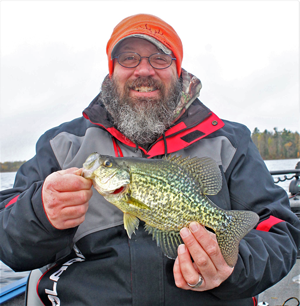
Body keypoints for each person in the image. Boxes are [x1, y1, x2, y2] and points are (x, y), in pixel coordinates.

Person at [0, 14, 299, 306]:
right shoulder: (61, 145)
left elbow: (281, 233)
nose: (144, 70)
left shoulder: (230, 143)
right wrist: (40, 213)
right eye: (129, 58)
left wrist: (232, 267)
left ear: (177, 70)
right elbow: (7, 240)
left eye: (159, 58)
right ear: (111, 71)